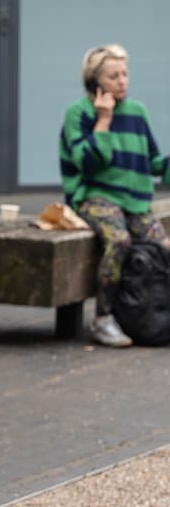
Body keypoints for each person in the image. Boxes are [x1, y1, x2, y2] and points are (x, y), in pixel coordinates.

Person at [60, 43, 170, 348]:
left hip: (135, 202)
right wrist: (104, 120)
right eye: (113, 76)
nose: (122, 80)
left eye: (125, 73)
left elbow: (154, 160)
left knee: (164, 246)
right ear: (95, 82)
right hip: (94, 198)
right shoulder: (78, 114)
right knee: (119, 241)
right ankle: (103, 318)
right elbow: (87, 162)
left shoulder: (137, 111)